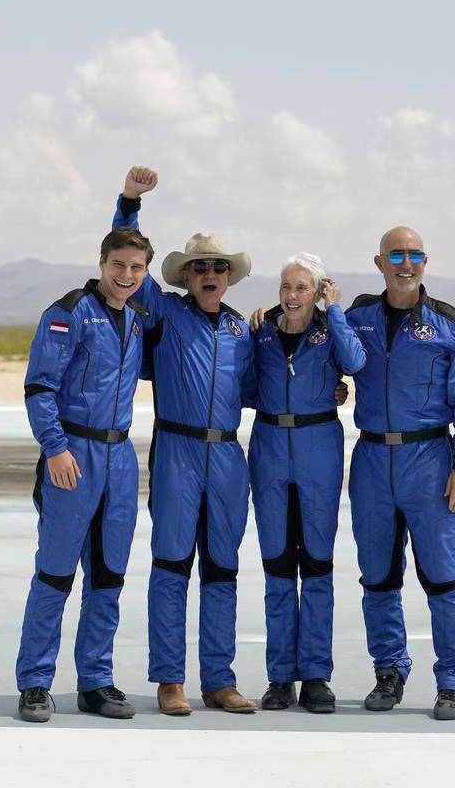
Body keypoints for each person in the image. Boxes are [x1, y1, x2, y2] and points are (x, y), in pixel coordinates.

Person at [114, 167, 259, 716]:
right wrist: (130, 202)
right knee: (172, 564)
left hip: (227, 456)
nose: (209, 274)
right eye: (199, 267)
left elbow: (266, 385)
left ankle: (219, 680)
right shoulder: (164, 311)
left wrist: (331, 386)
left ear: (228, 277)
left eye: (218, 268)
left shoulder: (244, 330)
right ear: (185, 276)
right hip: (176, 452)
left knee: (222, 568)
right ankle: (170, 680)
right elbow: (128, 258)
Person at [345, 226, 455, 721]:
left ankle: (453, 682)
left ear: (425, 262)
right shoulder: (356, 317)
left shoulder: (453, 326)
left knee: (444, 577)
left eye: (415, 255)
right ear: (379, 262)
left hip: (429, 462)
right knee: (378, 577)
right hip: (370, 461)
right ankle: (389, 671)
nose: (407, 264)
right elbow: (321, 347)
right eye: (396, 255)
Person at [15, 225, 153, 723]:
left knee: (109, 576)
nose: (127, 275)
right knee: (55, 573)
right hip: (72, 455)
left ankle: (95, 681)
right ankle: (35, 681)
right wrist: (54, 448)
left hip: (120, 461)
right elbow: (39, 386)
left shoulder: (139, 318)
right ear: (102, 262)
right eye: (119, 265)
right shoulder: (69, 312)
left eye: (137, 268)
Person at [246, 253, 366, 713]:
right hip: (269, 448)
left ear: (317, 291)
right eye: (285, 287)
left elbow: (355, 362)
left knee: (316, 564)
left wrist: (335, 312)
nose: (291, 296)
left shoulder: (330, 330)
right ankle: (280, 677)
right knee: (277, 564)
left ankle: (316, 675)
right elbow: (244, 387)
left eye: (301, 288)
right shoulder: (263, 331)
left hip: (319, 450)